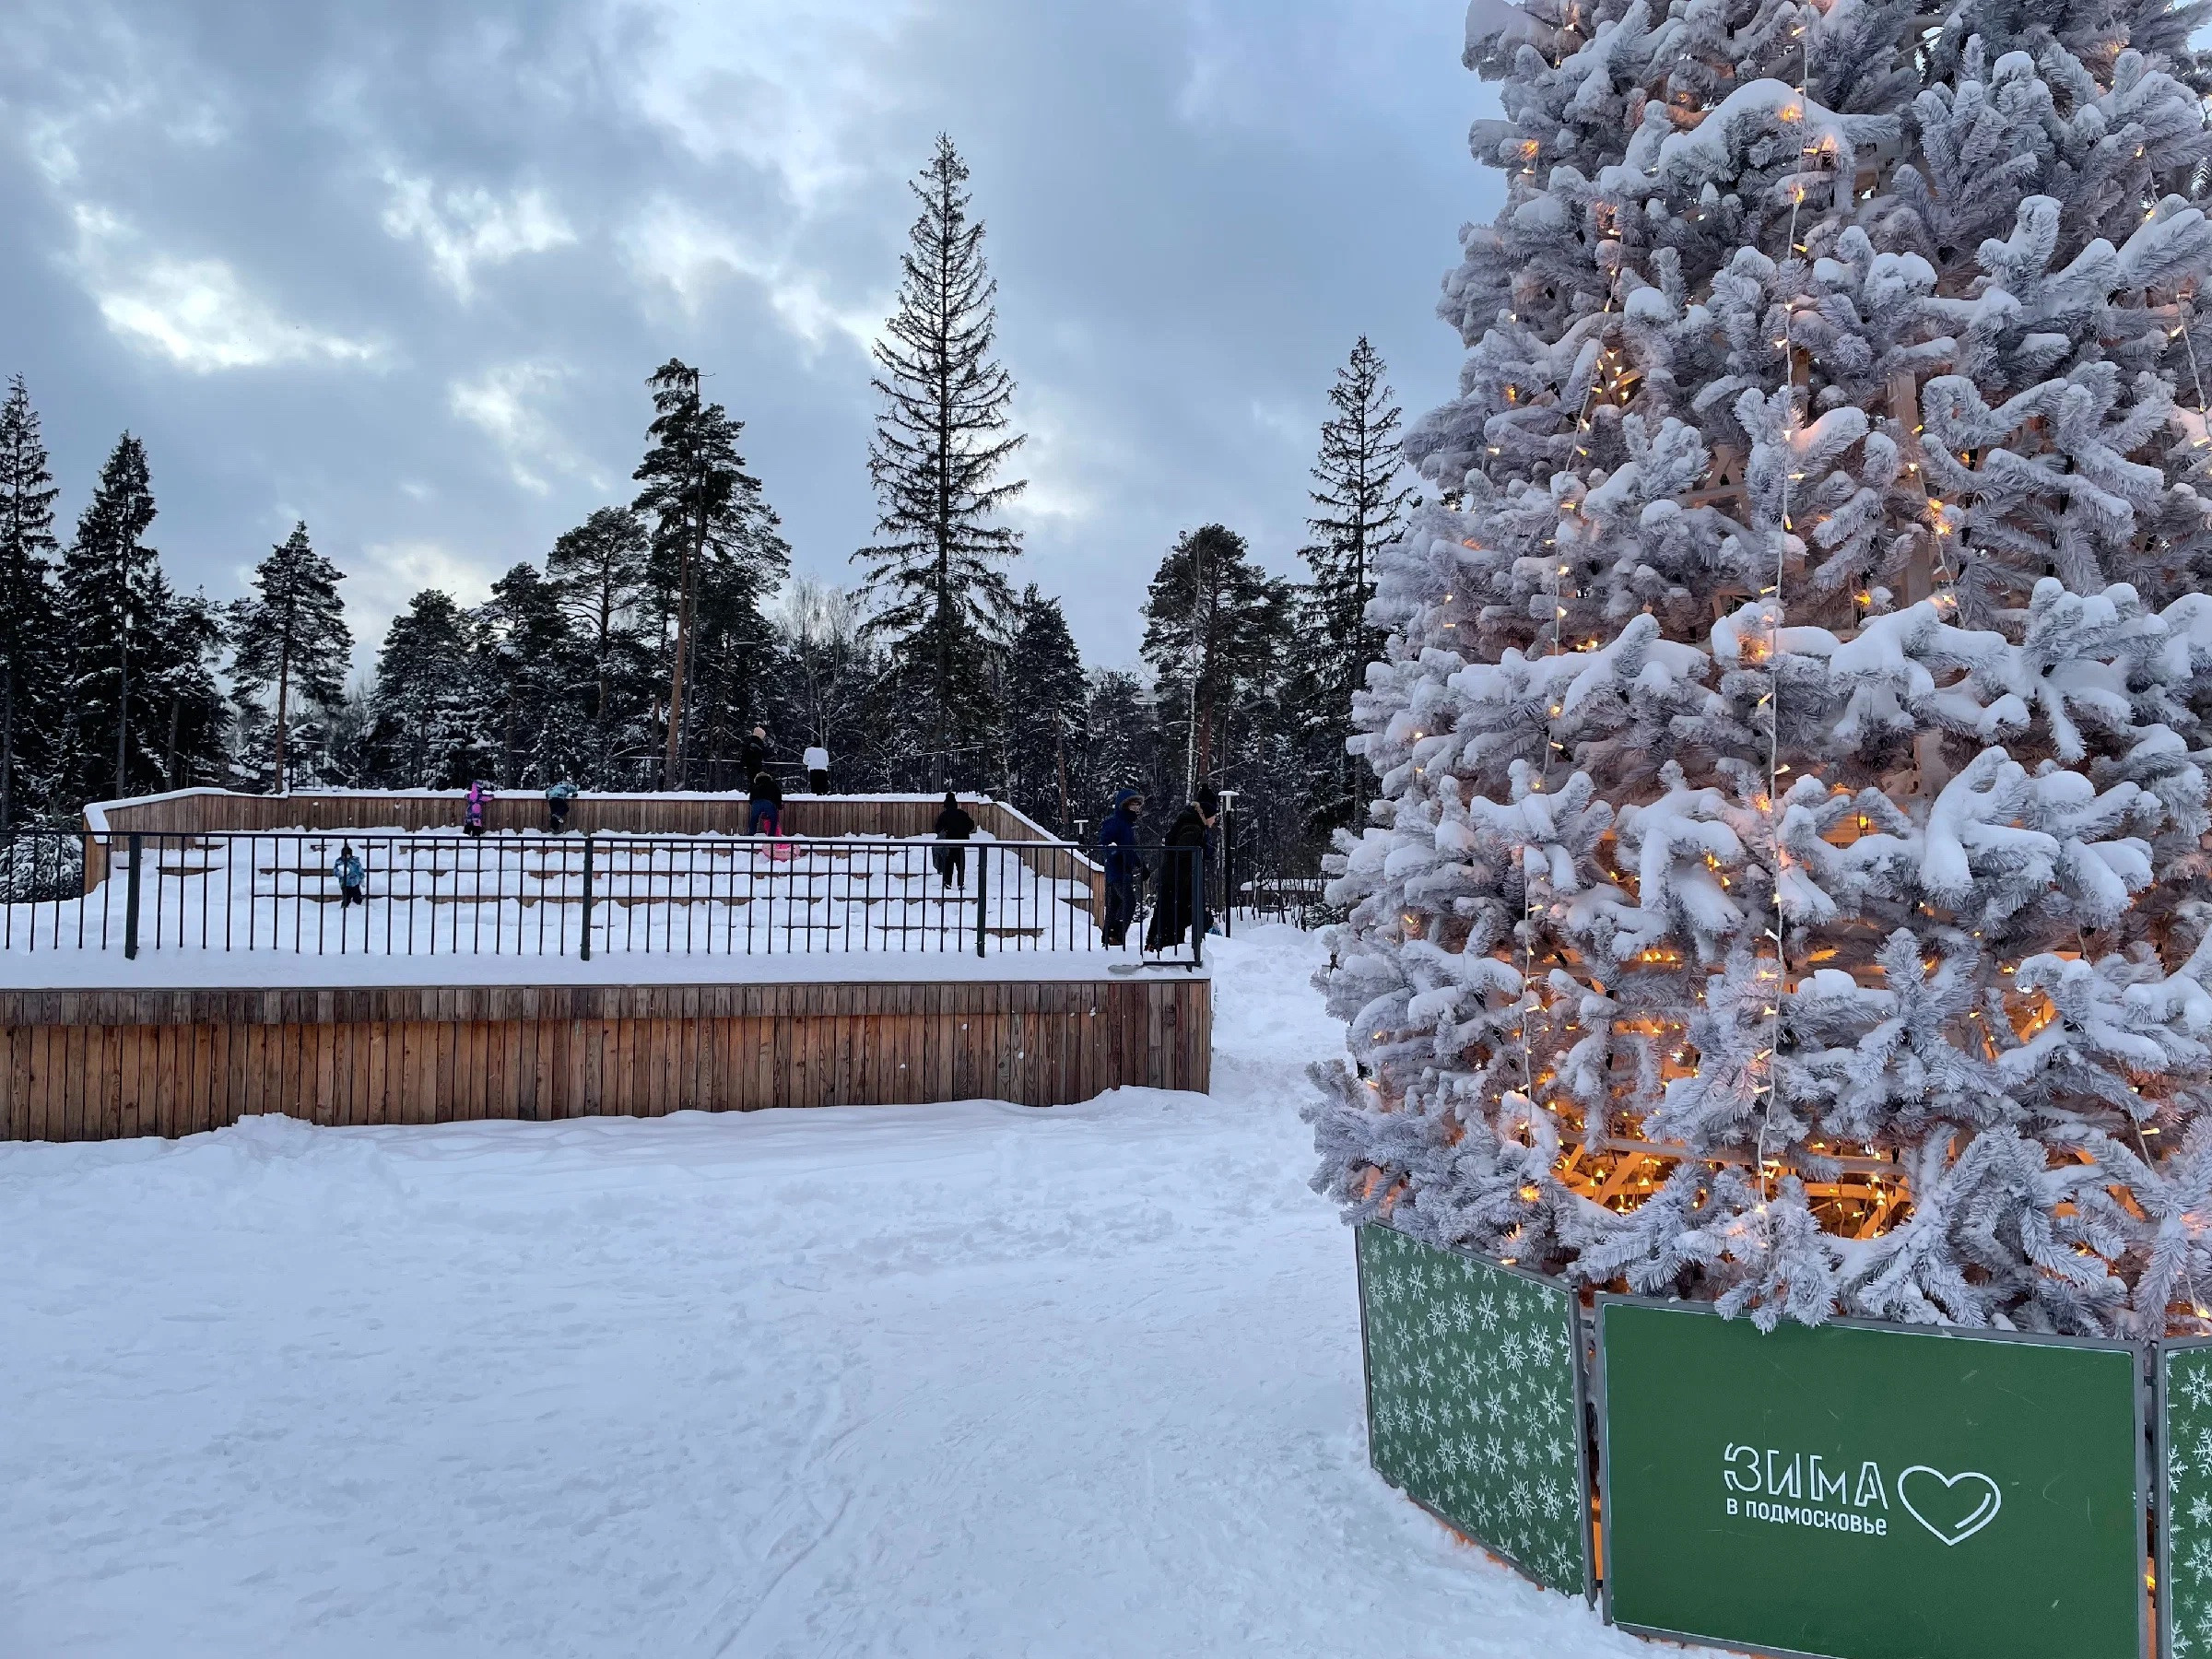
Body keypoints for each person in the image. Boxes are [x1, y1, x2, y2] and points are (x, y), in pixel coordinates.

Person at [1145, 785, 1218, 953]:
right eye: (1214, 816)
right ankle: (1166, 953)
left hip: (1175, 881)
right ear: (1206, 814)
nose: (1214, 820)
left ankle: (1158, 947)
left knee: (1167, 917)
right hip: (1178, 882)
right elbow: (1185, 850)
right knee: (1173, 919)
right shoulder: (1193, 826)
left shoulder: (1190, 822)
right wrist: (1202, 849)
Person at [1098, 789, 1146, 947]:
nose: (1137, 809)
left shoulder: (1127, 825)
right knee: (1129, 902)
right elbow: (1104, 843)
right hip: (1116, 871)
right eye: (1134, 805)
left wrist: (1140, 865)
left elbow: (1129, 850)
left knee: (1114, 907)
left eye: (1138, 806)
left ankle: (1108, 939)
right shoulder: (1114, 822)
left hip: (1124, 872)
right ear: (1125, 805)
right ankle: (1116, 936)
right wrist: (1115, 853)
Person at [932, 790, 975, 892]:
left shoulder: (944, 815)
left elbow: (937, 829)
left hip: (948, 843)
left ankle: (947, 883)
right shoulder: (962, 814)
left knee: (948, 864)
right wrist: (963, 831)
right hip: (960, 843)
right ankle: (960, 883)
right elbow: (971, 825)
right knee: (960, 864)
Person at [747, 769, 783, 837]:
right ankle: (771, 835)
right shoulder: (772, 784)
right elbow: (778, 794)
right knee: (773, 819)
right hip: (769, 803)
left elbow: (751, 797)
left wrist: (752, 802)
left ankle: (751, 834)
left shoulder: (755, 785)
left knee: (754, 818)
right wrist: (778, 805)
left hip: (756, 802)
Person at [334, 843, 365, 908]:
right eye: (344, 856)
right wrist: (340, 873)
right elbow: (335, 871)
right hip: (345, 883)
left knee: (357, 896)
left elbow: (360, 870)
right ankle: (344, 907)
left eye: (347, 856)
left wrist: (362, 879)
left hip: (355, 882)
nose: (345, 857)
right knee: (346, 898)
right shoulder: (339, 862)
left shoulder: (355, 862)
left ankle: (358, 906)